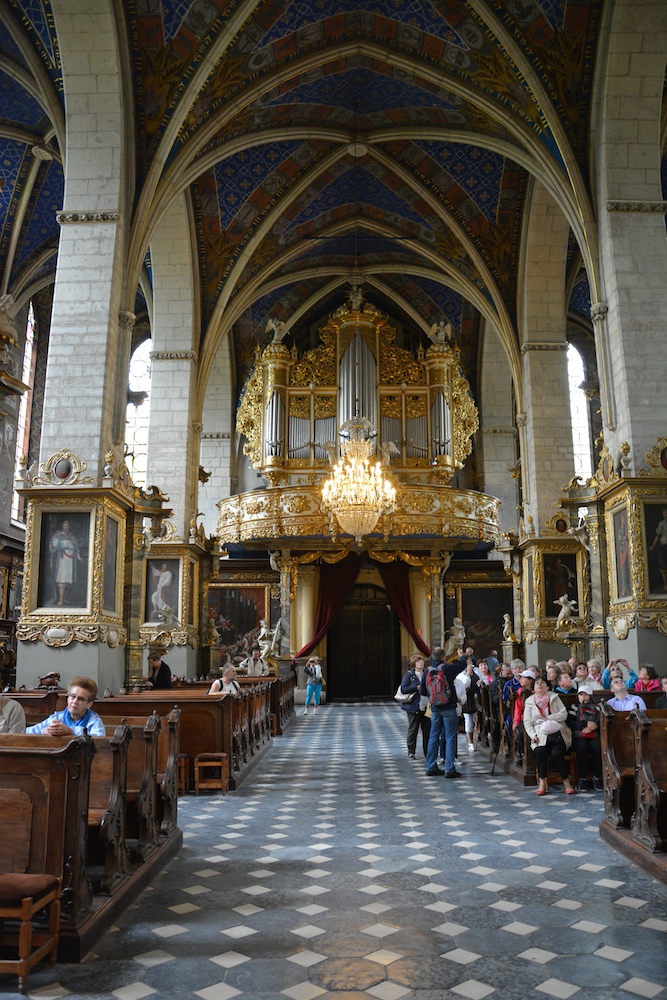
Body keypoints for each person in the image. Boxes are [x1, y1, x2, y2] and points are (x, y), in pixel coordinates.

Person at [523, 676, 575, 795]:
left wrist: (549, 718)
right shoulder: (529, 701)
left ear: (547, 687)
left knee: (557, 753)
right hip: (539, 734)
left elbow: (563, 714)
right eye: (537, 683)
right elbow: (527, 722)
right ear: (533, 688)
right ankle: (542, 782)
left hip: (557, 731)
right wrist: (533, 735)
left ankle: (566, 781)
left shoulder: (554, 697)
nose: (539, 685)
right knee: (540, 751)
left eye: (542, 683)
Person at [421, 647, 467, 777]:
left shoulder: (427, 671)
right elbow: (462, 665)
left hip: (435, 708)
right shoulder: (447, 668)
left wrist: (434, 697)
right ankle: (449, 768)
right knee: (450, 737)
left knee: (433, 736)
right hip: (448, 707)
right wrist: (461, 655)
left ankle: (431, 766)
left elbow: (422, 691)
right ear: (443, 657)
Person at [27, 676, 105, 736]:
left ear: (89, 704)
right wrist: (43, 731)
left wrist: (71, 731)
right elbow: (27, 731)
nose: (75, 701)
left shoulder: (94, 721)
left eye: (81, 699)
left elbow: (99, 739)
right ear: (67, 698)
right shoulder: (56, 717)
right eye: (73, 696)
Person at [567, 685, 602, 791]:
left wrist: (593, 727)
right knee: (581, 747)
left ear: (590, 696)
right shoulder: (574, 707)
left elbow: (601, 721)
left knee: (597, 746)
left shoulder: (597, 707)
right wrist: (585, 724)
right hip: (579, 734)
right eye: (581, 694)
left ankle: (597, 776)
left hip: (593, 733)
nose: (583, 697)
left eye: (586, 694)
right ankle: (582, 777)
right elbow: (571, 722)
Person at [399, 653, 431, 759]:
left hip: (426, 706)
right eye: (418, 661)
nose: (420, 663)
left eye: (421, 661)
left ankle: (427, 752)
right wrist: (415, 687)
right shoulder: (410, 675)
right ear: (414, 664)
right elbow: (403, 689)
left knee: (427, 730)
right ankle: (411, 751)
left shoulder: (427, 674)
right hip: (414, 706)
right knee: (413, 729)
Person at [50, 518, 84, 606]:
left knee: (69, 581)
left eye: (67, 526)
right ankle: (61, 600)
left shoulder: (72, 537)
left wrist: (79, 557)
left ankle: (64, 598)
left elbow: (76, 548)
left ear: (69, 527)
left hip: (70, 561)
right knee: (62, 579)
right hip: (63, 560)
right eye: (64, 526)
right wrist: (52, 546)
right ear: (63, 527)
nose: (66, 527)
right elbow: (54, 546)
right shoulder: (58, 535)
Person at [458, 656, 481, 753]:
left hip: (477, 697)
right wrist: (468, 673)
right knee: (469, 721)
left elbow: (482, 678)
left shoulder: (476, 671)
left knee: (477, 719)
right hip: (467, 699)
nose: (470, 663)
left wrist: (481, 682)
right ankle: (470, 742)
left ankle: (477, 737)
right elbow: (463, 685)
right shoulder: (461, 674)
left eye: (470, 661)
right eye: (468, 661)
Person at [649, 507, 667, 592]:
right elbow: (657, 536)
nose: (666, 515)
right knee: (663, 566)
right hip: (663, 547)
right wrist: (652, 546)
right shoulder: (662, 523)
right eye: (665, 514)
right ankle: (665, 584)